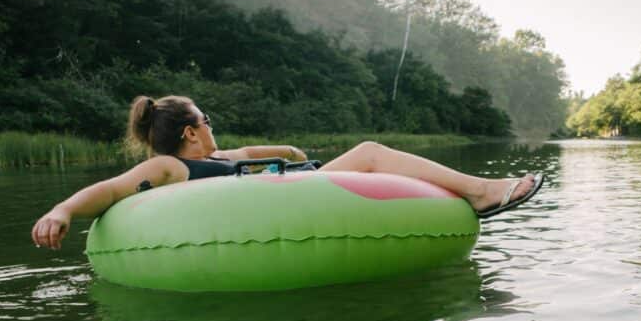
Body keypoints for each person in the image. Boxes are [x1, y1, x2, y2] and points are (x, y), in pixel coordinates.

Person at [31, 95, 544, 249]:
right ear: (190, 132)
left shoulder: (219, 159)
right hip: (282, 202)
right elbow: (115, 187)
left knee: (370, 155)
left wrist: (293, 151)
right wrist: (64, 209)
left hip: (296, 182)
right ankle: (482, 192)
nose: (213, 126)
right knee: (368, 149)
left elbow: (257, 149)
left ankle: (474, 193)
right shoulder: (168, 167)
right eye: (207, 120)